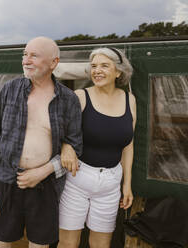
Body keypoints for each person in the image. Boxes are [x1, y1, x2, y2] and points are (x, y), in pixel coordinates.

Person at [0, 36, 83, 248]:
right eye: (25, 54)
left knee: (39, 245)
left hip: (45, 187)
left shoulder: (69, 99)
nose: (26, 60)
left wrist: (42, 172)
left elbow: (75, 146)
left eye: (34, 55)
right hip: (6, 181)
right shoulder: (9, 90)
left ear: (54, 62)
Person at [58, 47, 136, 248]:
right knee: (68, 244)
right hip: (77, 180)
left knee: (101, 244)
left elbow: (128, 145)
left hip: (111, 184)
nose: (97, 70)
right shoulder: (80, 96)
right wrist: (66, 146)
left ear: (118, 72)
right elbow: (60, 132)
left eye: (104, 65)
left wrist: (127, 184)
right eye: (93, 66)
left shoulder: (130, 100)